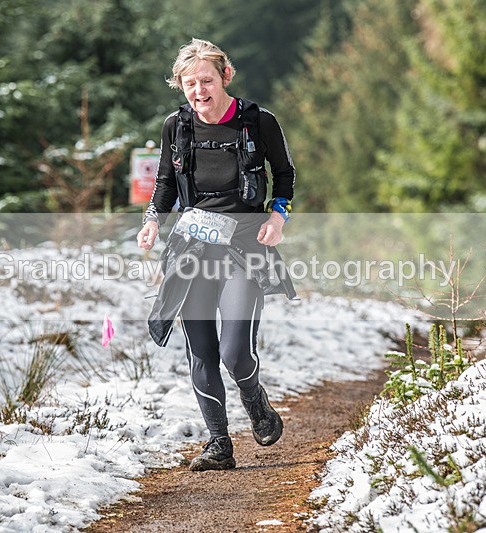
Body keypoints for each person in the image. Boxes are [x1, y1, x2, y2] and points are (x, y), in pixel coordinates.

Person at [137, 38, 296, 471]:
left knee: (233, 353)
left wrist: (277, 218)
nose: (198, 90)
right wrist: (153, 219)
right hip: (191, 248)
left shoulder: (258, 121)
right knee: (201, 351)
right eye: (189, 83)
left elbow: (283, 174)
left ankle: (254, 398)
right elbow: (166, 183)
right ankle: (218, 442)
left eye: (206, 80)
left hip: (245, 246)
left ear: (225, 76)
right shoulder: (177, 125)